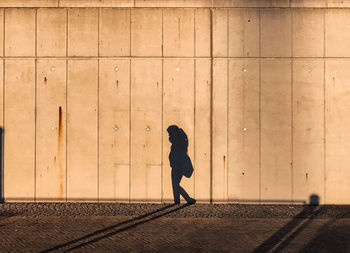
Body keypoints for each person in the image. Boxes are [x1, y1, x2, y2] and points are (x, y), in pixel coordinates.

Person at [167, 125, 196, 204]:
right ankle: (178, 200)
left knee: (175, 184)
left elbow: (177, 153)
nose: (169, 135)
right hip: (176, 165)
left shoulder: (178, 141)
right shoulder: (180, 139)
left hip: (178, 165)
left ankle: (187, 199)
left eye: (170, 133)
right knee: (175, 184)